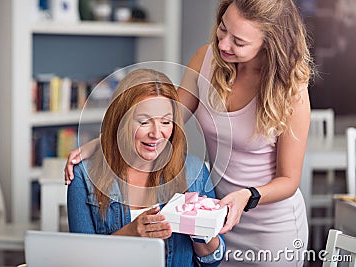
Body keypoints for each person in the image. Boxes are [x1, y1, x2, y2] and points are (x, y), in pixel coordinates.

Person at [66, 0, 314, 265]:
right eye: (222, 29)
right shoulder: (207, 59)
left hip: (268, 226)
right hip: (210, 212)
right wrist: (106, 141)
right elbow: (168, 119)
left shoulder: (290, 90)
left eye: (238, 42)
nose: (223, 45)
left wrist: (246, 196)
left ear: (269, 43)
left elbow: (289, 180)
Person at [67, 68, 225, 267]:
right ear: (121, 121)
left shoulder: (194, 171)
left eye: (166, 122)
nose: (157, 133)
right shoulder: (84, 176)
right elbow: (80, 261)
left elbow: (213, 260)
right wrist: (131, 233)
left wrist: (201, 231)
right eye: (144, 122)